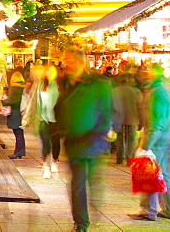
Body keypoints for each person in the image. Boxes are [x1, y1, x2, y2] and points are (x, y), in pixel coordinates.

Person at [54, 48, 113, 232]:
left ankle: (90, 218)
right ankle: (81, 223)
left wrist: (98, 134)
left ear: (80, 62)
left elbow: (107, 112)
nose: (64, 63)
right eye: (63, 60)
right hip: (73, 142)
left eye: (68, 60)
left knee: (93, 183)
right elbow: (61, 107)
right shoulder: (65, 83)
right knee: (77, 184)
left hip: (93, 142)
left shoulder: (98, 84)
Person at [130, 62, 170, 222]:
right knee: (163, 174)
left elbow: (157, 121)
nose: (145, 73)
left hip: (158, 138)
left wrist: (147, 145)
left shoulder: (158, 92)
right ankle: (169, 210)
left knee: (151, 174)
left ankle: (149, 211)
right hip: (169, 136)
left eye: (148, 71)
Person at [111, 73, 142, 165]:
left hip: (118, 119)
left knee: (120, 138)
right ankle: (130, 158)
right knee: (132, 139)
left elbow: (111, 105)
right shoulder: (136, 91)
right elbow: (140, 107)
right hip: (133, 118)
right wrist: (142, 120)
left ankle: (120, 157)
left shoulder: (115, 91)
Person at [38, 64, 61, 178]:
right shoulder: (41, 85)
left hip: (56, 119)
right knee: (45, 142)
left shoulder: (60, 85)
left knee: (56, 143)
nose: (50, 73)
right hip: (43, 118)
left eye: (53, 71)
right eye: (48, 71)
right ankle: (46, 167)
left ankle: (54, 162)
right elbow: (34, 100)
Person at [4, 67, 26, 159]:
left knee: (18, 133)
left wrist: (4, 100)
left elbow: (11, 101)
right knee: (20, 133)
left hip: (15, 113)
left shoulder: (14, 88)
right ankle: (20, 152)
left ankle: (18, 152)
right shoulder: (23, 87)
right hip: (21, 112)